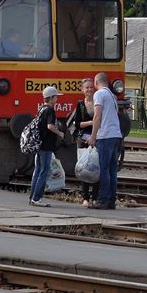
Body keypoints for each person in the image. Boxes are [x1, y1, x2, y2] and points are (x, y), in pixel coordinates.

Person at [88, 72, 121, 210]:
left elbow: (97, 115)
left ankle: (103, 200)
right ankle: (112, 200)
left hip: (105, 135)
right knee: (112, 169)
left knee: (104, 169)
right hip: (116, 135)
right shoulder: (112, 96)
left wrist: (93, 136)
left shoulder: (99, 94)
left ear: (96, 82)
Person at [28, 86, 65, 207]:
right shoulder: (50, 110)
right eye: (56, 97)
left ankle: (32, 197)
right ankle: (36, 198)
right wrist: (60, 133)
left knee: (38, 171)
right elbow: (50, 126)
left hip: (40, 145)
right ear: (51, 98)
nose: (57, 100)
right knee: (43, 172)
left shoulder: (41, 109)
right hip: (47, 145)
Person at [67, 77, 98, 206]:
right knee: (83, 169)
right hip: (83, 139)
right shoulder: (80, 104)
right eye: (87, 87)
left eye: (91, 87)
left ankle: (95, 198)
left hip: (96, 137)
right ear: (82, 89)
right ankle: (85, 197)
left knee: (96, 168)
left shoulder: (98, 102)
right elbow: (78, 123)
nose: (89, 89)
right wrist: (91, 122)